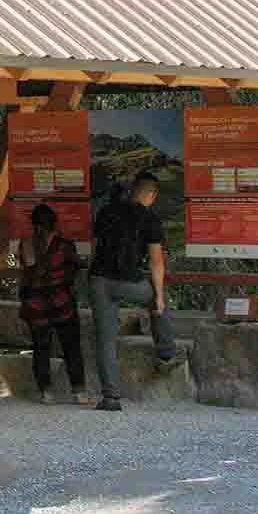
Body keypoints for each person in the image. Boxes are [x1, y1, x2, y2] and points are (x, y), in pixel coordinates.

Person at [87, 171, 178, 411]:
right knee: (158, 301)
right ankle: (167, 354)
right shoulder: (149, 219)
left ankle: (111, 398)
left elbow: (95, 248)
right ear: (152, 194)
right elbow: (156, 262)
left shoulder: (106, 211)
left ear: (133, 189)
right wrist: (158, 296)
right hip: (129, 283)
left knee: (105, 340)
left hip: (99, 281)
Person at [19, 203, 89, 405]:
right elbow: (74, 269)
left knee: (41, 348)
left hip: (35, 305)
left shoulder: (26, 244)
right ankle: (78, 391)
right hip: (62, 303)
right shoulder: (64, 246)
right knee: (71, 347)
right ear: (54, 224)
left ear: (34, 224)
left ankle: (46, 392)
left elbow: (25, 271)